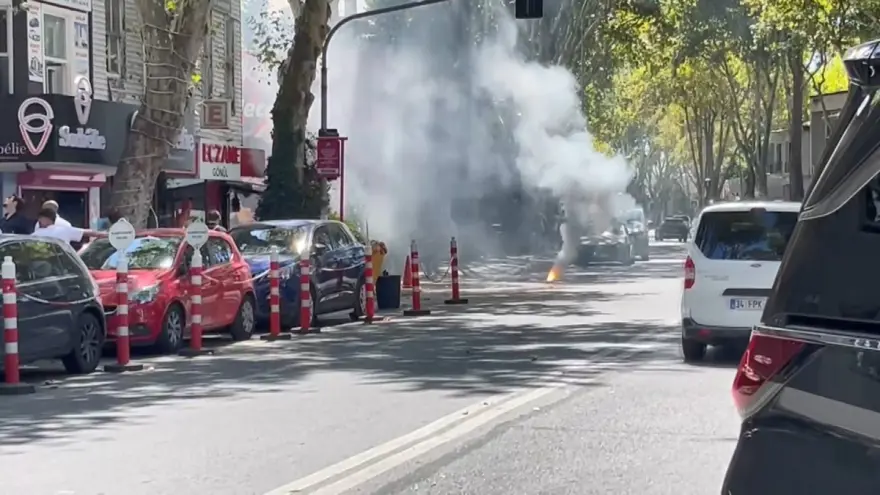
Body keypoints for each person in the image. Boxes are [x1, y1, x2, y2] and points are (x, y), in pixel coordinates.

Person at [33, 207, 105, 243]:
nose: (39, 221)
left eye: (40, 219)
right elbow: (89, 233)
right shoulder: (65, 230)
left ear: (46, 219)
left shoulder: (35, 235)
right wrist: (109, 235)